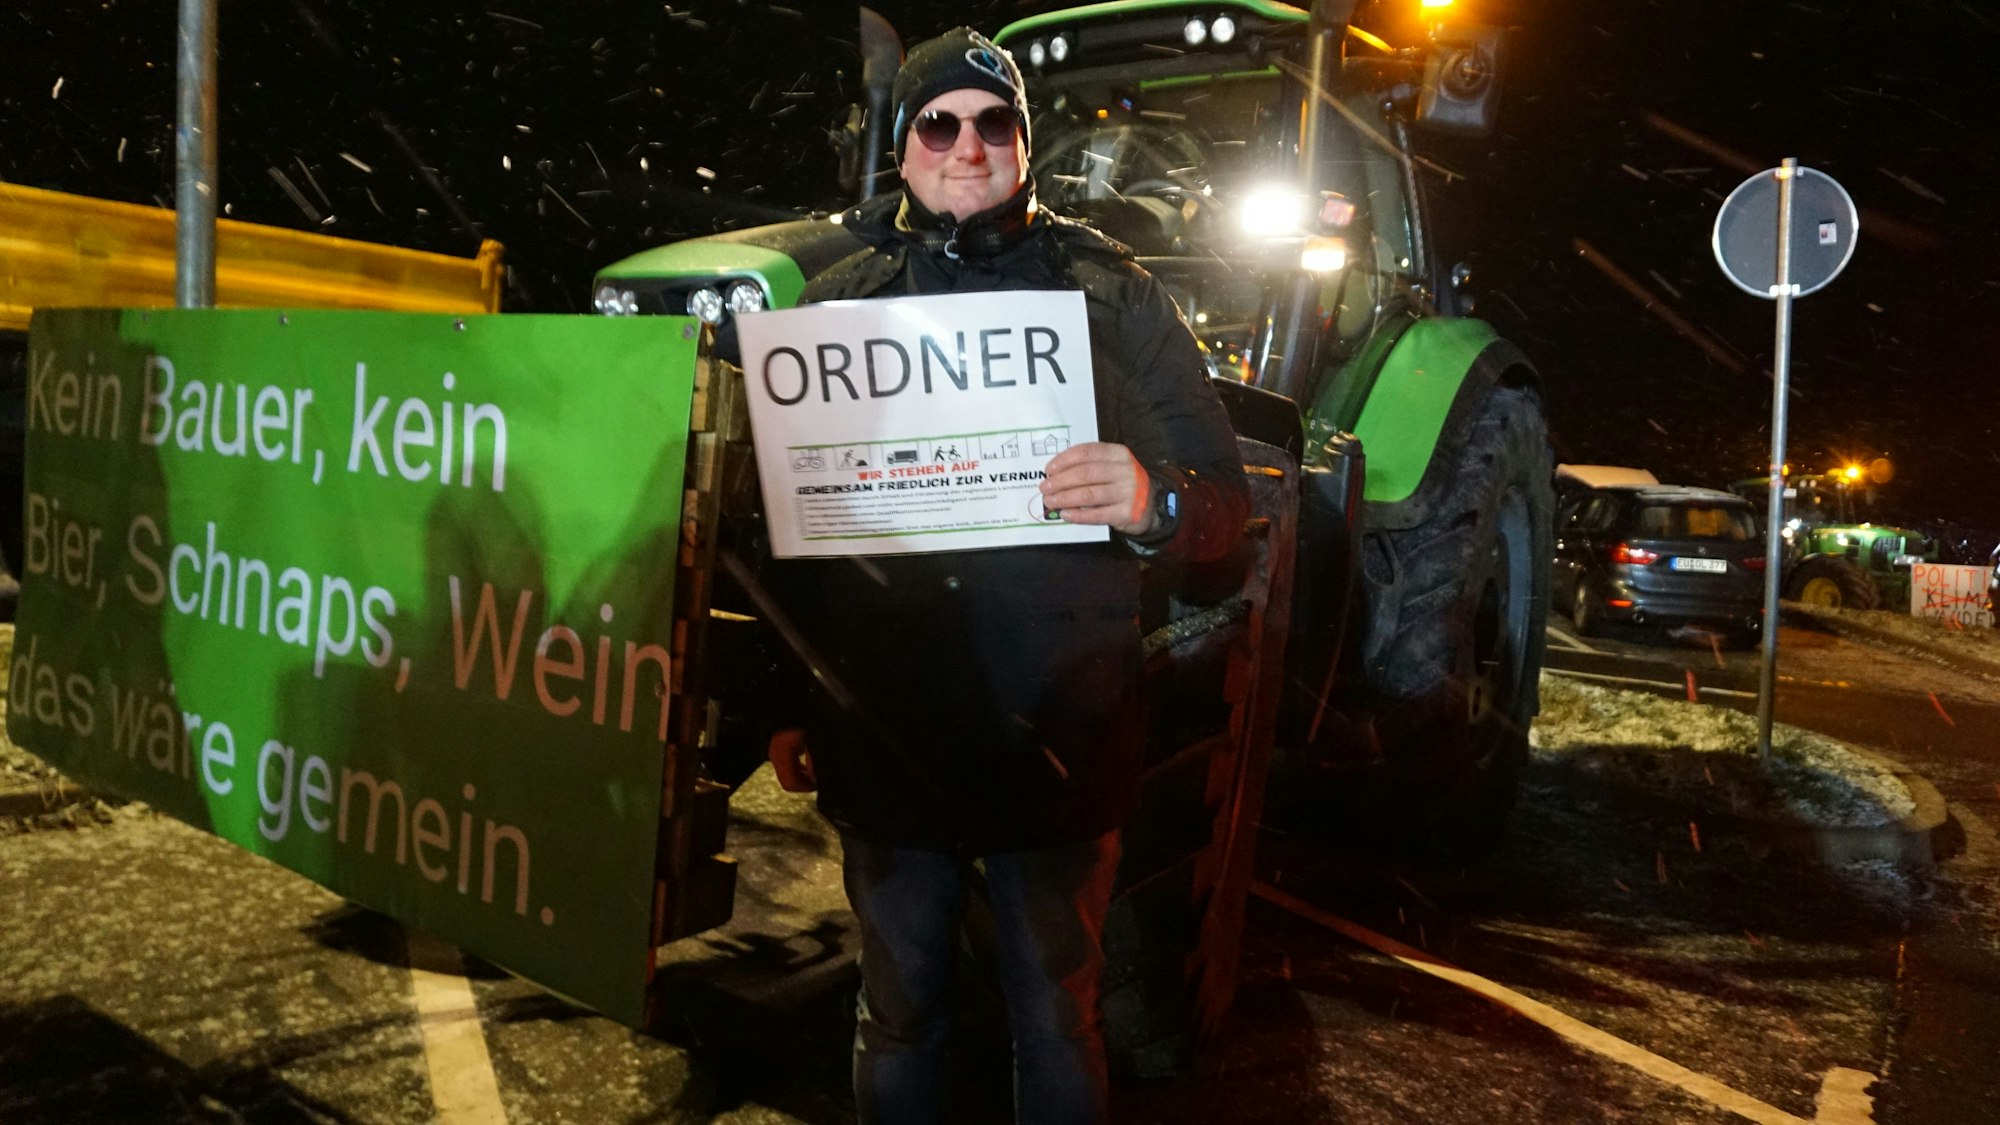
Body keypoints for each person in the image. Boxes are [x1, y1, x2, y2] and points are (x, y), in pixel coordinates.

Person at [767, 27, 1249, 1125]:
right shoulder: (833, 307)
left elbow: (1222, 507)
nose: (968, 146)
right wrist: (781, 703)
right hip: (889, 725)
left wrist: (1155, 502)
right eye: (939, 125)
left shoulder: (1114, 298)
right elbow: (789, 537)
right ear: (903, 148)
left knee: (1057, 1014)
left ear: (1026, 145)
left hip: (1058, 724)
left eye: (995, 124)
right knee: (899, 1011)